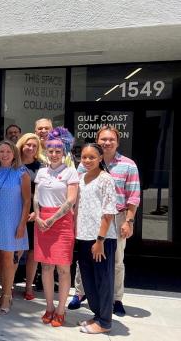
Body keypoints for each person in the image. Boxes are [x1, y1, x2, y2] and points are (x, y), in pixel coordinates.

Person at [69, 126, 140, 317]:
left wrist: (129, 221)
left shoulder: (128, 164)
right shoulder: (85, 165)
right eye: (103, 140)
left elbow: (133, 196)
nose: (107, 143)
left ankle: (116, 299)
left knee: (116, 261)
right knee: (83, 261)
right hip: (88, 221)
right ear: (97, 141)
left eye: (111, 140)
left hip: (116, 217)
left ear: (117, 142)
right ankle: (80, 292)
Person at [33, 128, 79, 327]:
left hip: (61, 222)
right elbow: (36, 196)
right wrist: (38, 216)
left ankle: (61, 310)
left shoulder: (71, 172)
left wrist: (51, 219)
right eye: (50, 150)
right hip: (42, 221)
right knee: (46, 267)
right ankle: (49, 307)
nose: (53, 154)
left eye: (58, 151)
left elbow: (70, 201)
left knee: (63, 268)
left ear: (64, 151)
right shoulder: (41, 171)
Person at [0, 140, 30, 315]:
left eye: (8, 151)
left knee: (8, 259)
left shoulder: (21, 173)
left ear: (14, 153)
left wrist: (22, 224)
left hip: (12, 221)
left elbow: (26, 201)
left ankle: (7, 296)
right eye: (1, 151)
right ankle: (3, 293)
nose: (4, 154)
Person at [75, 143, 118, 334]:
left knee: (103, 281)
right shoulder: (81, 178)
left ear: (100, 158)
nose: (87, 160)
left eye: (92, 157)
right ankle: (97, 314)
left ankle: (105, 322)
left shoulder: (105, 179)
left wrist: (100, 241)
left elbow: (109, 213)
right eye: (84, 157)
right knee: (89, 280)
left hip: (102, 240)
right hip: (83, 237)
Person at [16, 133, 43, 300]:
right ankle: (9, 284)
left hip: (34, 214)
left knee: (32, 251)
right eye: (28, 145)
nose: (31, 148)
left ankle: (28, 287)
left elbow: (44, 193)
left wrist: (36, 212)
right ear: (21, 145)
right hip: (15, 212)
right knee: (15, 250)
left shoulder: (41, 167)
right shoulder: (14, 164)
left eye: (34, 146)